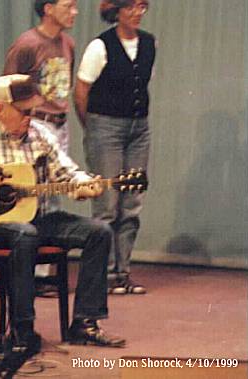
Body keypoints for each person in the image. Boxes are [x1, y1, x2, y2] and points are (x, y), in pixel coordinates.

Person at [0, 74, 126, 351]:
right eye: (23, 110)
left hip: (40, 218)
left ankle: (85, 322)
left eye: (32, 109)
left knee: (99, 231)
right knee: (25, 234)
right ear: (1, 108)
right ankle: (23, 329)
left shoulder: (41, 135)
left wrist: (85, 185)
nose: (30, 116)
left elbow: (67, 172)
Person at [74, 0, 155, 295]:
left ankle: (123, 272)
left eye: (142, 7)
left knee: (132, 202)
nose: (137, 13)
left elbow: (141, 84)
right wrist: (94, 129)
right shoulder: (101, 46)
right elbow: (81, 91)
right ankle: (105, 275)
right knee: (106, 203)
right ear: (117, 11)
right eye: (131, 7)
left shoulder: (148, 43)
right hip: (105, 125)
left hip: (138, 128)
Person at [3, 0, 79, 154]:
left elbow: (66, 83)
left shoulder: (68, 44)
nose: (74, 12)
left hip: (61, 124)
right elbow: (5, 88)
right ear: (48, 9)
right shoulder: (27, 44)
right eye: (68, 6)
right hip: (36, 122)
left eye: (75, 7)